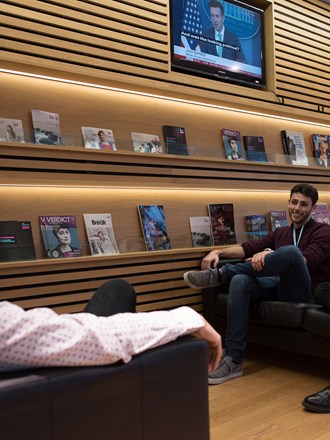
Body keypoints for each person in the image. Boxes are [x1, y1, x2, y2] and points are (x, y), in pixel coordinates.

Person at [183, 183, 330, 384]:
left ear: (313, 208)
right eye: (294, 202)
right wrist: (219, 251)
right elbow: (247, 248)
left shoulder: (323, 231)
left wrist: (272, 256)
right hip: (278, 286)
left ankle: (220, 274)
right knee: (241, 280)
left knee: (292, 253)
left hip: (303, 291)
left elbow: (305, 261)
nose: (297, 208)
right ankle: (233, 360)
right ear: (288, 202)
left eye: (303, 204)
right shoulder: (280, 233)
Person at [0, 279, 222, 372]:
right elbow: (95, 338)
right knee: (119, 289)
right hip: (71, 373)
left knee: (116, 289)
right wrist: (187, 317)